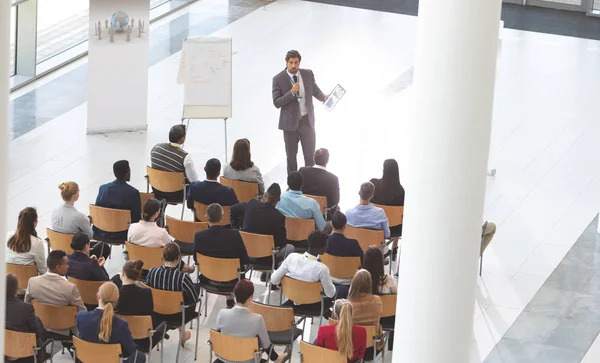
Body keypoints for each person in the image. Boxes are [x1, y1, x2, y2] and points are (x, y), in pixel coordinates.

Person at [272, 50, 328, 174]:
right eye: (291, 62)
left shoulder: (307, 74)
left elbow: (315, 90)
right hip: (290, 125)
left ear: (299, 62)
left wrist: (324, 97)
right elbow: (277, 102)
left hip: (307, 122)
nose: (293, 66)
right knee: (291, 159)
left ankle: (310, 183)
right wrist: (291, 92)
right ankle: (293, 185)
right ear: (286, 63)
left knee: (310, 157)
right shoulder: (278, 79)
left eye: (296, 63)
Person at [214, 280, 289, 363]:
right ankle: (276, 358)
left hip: (224, 359)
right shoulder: (257, 319)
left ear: (234, 295)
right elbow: (266, 345)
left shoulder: (222, 313)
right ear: (250, 297)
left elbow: (215, 336)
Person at [230, 183, 295, 273]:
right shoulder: (279, 217)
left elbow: (233, 209)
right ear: (279, 200)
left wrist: (236, 230)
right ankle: (277, 278)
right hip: (267, 259)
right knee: (290, 247)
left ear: (265, 196)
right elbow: (281, 242)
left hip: (246, 253)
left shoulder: (251, 204)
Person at [194, 203, 249, 307]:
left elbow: (195, 259)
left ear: (206, 217)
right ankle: (233, 299)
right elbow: (244, 259)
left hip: (208, 279)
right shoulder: (234, 235)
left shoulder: (199, 236)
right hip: (232, 281)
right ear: (222, 217)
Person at [76, 282, 146, 362]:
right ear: (116, 300)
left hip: (87, 360)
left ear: (98, 296)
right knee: (140, 356)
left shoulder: (81, 317)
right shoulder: (121, 325)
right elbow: (131, 350)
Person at [145, 243, 199, 346]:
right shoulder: (182, 278)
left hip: (156, 313)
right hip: (177, 316)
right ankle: (182, 334)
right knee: (194, 289)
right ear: (179, 258)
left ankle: (182, 333)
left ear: (162, 257)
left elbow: (147, 293)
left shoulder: (152, 272)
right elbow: (194, 299)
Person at [271, 231, 336, 315]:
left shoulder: (291, 257)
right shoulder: (322, 269)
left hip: (292, 299)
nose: (327, 246)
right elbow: (330, 294)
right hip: (312, 304)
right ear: (322, 247)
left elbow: (274, 280)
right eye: (326, 244)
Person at [25, 250, 86, 336]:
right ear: (58, 267)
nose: (68, 266)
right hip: (65, 330)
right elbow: (82, 311)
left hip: (40, 326)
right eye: (66, 264)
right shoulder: (70, 287)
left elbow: (27, 305)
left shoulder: (32, 282)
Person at [51, 181, 110, 259]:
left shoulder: (54, 212)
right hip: (75, 252)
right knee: (105, 247)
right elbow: (90, 235)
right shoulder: (79, 217)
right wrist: (87, 222)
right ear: (75, 196)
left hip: (58, 249)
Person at [117, 260, 164, 353]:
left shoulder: (116, 294)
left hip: (121, 339)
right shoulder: (147, 293)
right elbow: (149, 314)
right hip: (144, 339)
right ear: (138, 276)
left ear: (122, 273)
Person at [94, 160, 142, 242]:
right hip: (123, 234)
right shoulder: (133, 193)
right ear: (127, 172)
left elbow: (97, 211)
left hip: (102, 231)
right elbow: (136, 219)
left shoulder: (103, 188)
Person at [5, 273, 48, 363]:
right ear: (16, 289)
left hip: (3, 352)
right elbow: (35, 334)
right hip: (25, 354)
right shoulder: (26, 308)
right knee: (38, 324)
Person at [150, 124, 199, 202]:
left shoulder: (156, 148)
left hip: (157, 189)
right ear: (182, 139)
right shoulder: (185, 157)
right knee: (197, 187)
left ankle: (160, 207)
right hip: (177, 194)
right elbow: (194, 180)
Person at [370, 159, 404, 257]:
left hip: (376, 226)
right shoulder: (401, 191)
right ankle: (394, 247)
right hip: (395, 229)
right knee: (399, 219)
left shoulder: (374, 184)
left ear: (383, 170)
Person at [347, 269, 383, 359]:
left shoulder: (348, 304)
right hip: (371, 348)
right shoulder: (377, 300)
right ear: (369, 284)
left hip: (351, 348)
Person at [326, 211, 364, 295]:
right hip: (349, 280)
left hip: (329, 277)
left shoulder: (325, 240)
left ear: (331, 225)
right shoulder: (353, 243)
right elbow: (363, 261)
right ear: (345, 226)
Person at [299, 148, 340, 218]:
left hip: (303, 213)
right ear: (327, 160)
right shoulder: (333, 179)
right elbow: (335, 201)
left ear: (313, 158)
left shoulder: (302, 171)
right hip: (323, 217)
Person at [6, 207, 47, 275]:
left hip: (9, 281)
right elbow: (42, 270)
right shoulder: (37, 242)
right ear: (35, 223)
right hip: (29, 283)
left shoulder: (8, 236)